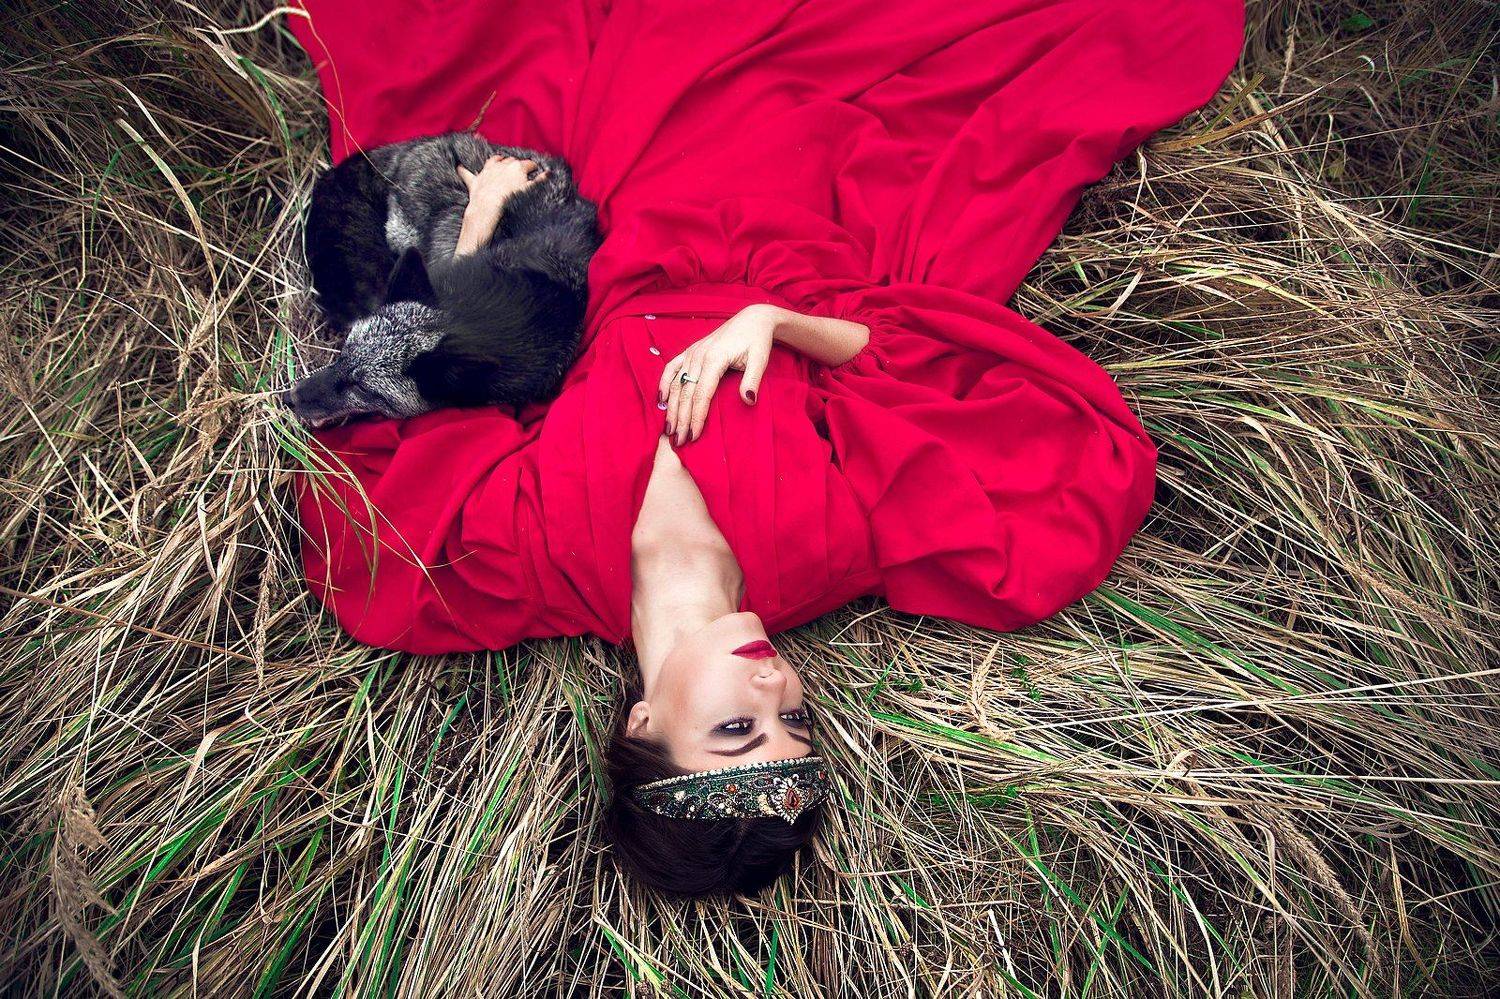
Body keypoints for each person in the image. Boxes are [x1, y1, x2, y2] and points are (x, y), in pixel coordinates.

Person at [285, 0, 1245, 895]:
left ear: (644, 723)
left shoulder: (533, 559)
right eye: (794, 719)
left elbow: (363, 532)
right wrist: (778, 324)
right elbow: (1001, 422)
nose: (775, 682)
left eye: (738, 725)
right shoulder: (820, 550)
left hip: (629, 217)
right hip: (795, 218)